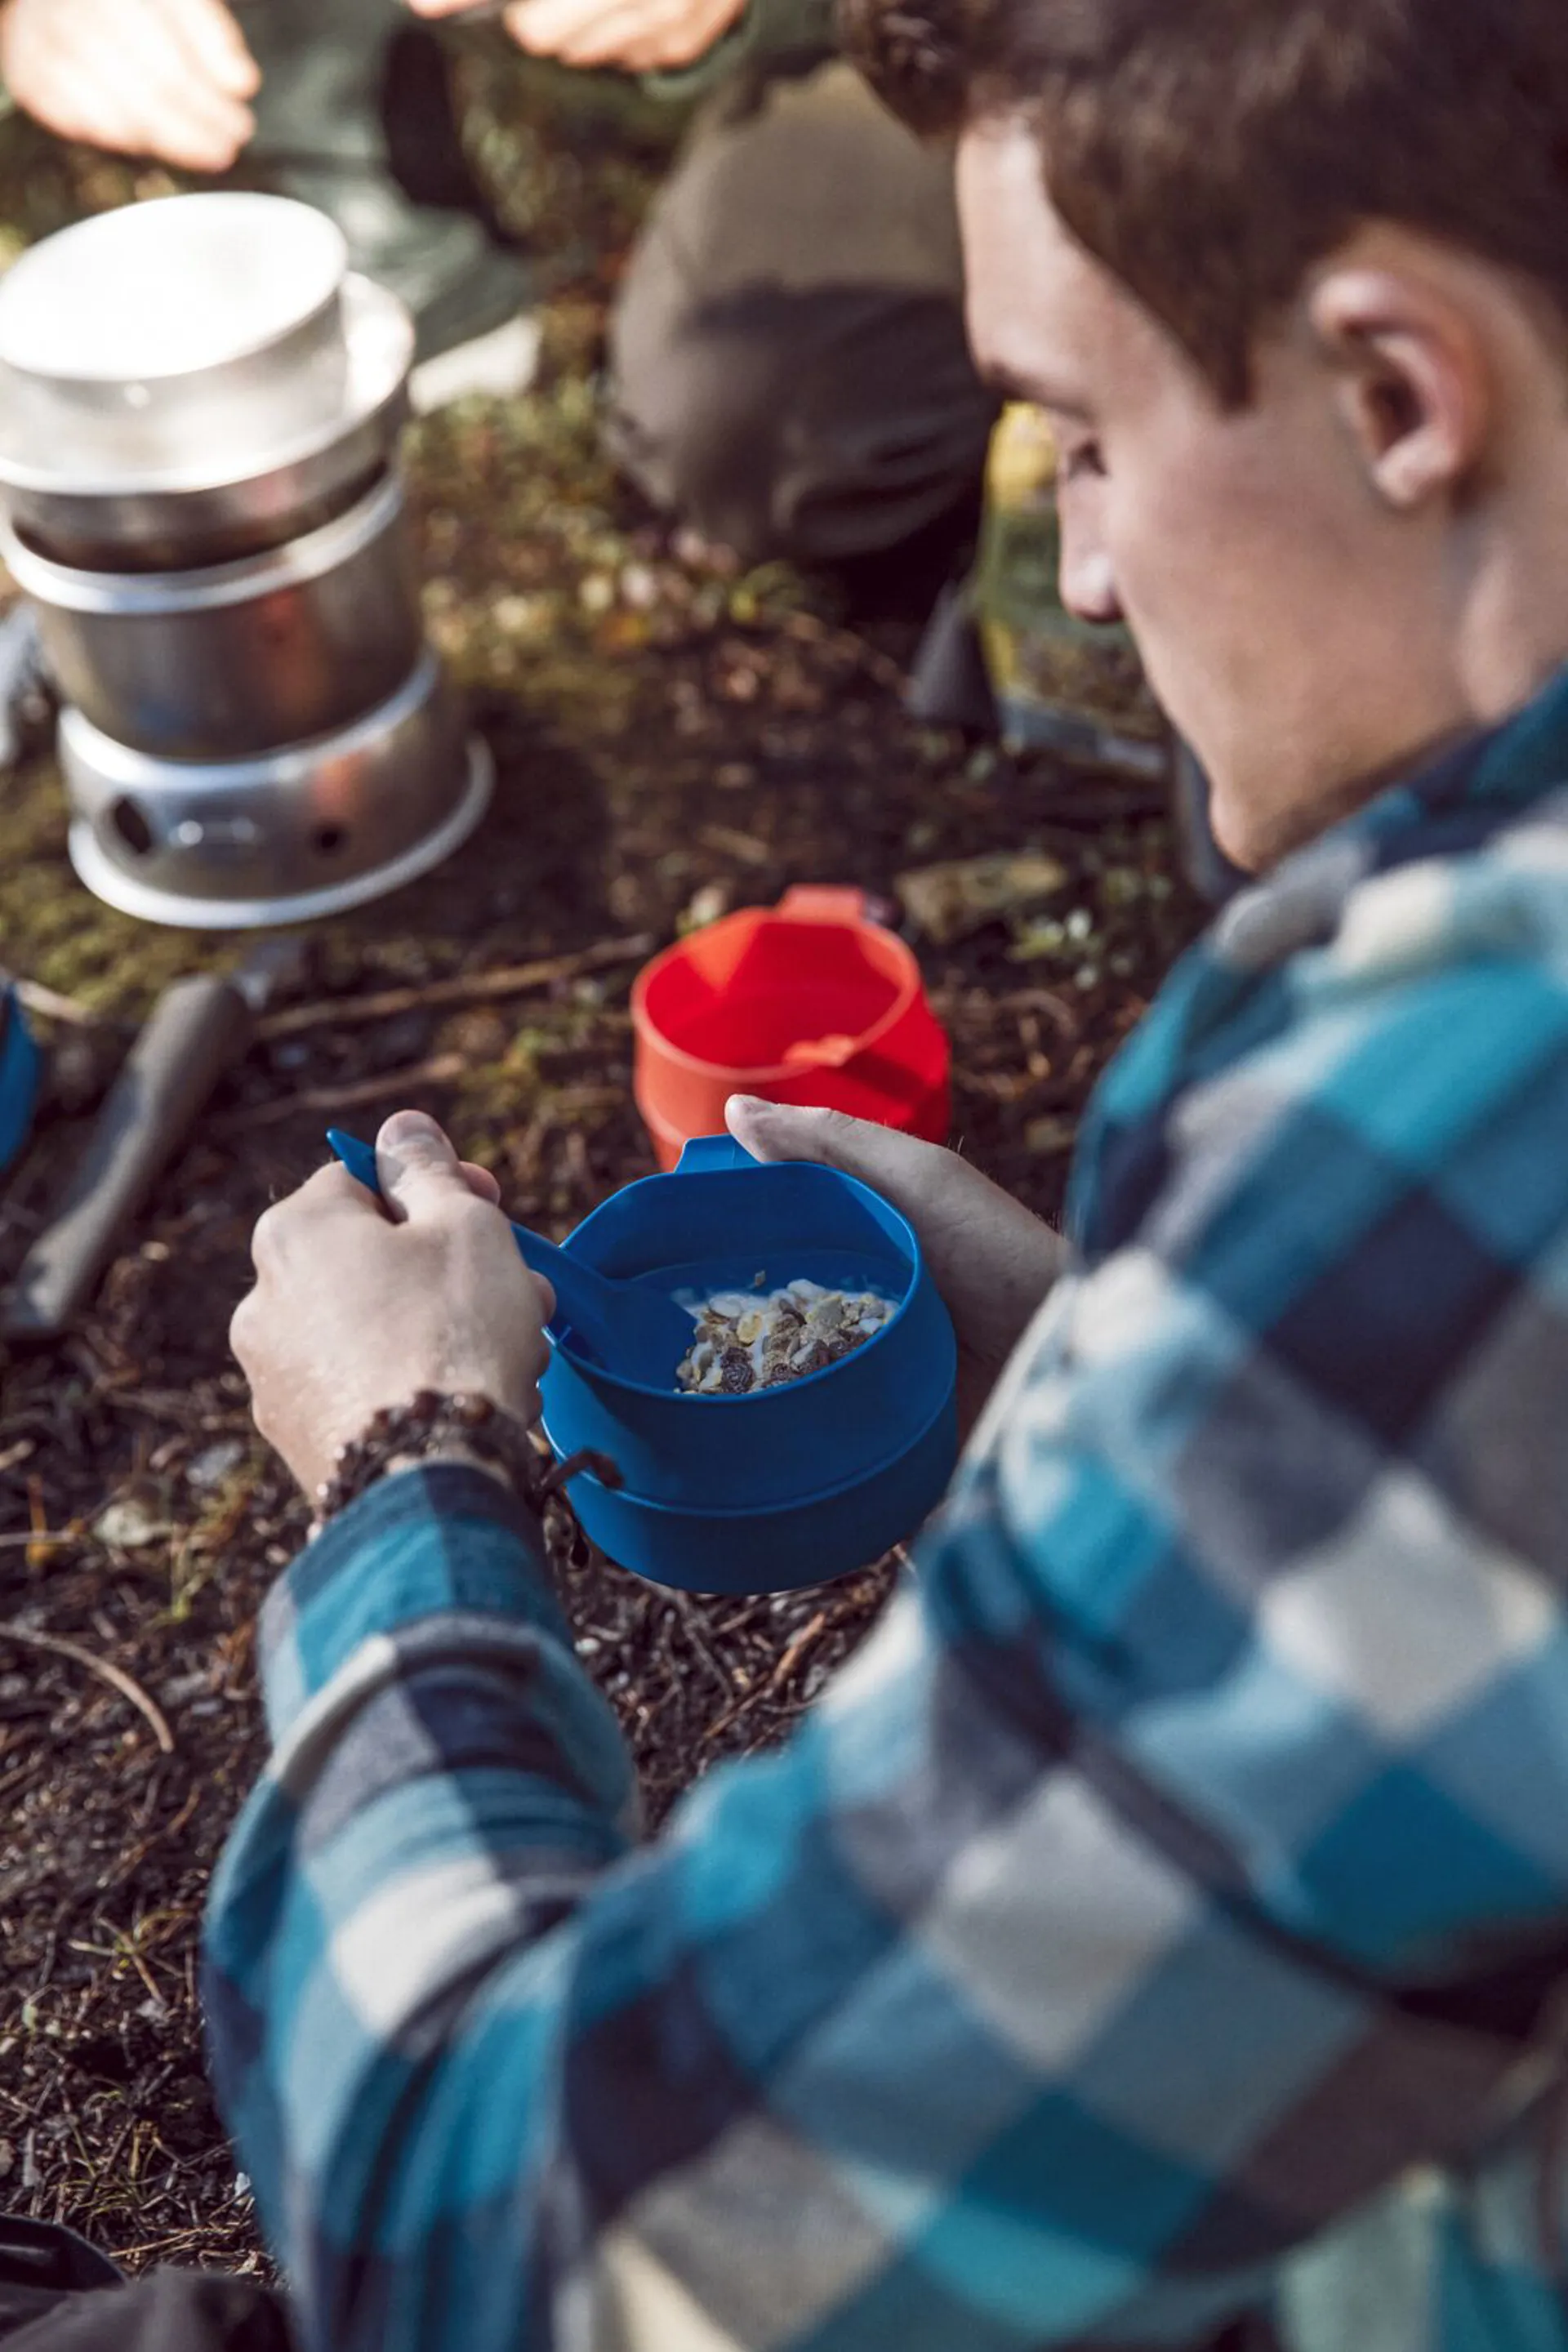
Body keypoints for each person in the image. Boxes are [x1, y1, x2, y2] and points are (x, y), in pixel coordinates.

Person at [207, 5, 1568, 2347]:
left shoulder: (1453, 1142)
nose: (1088, 576)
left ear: (1395, 392)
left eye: (1088, 439)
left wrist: (400, 1468)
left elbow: (521, 2245)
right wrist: (1112, 1373)